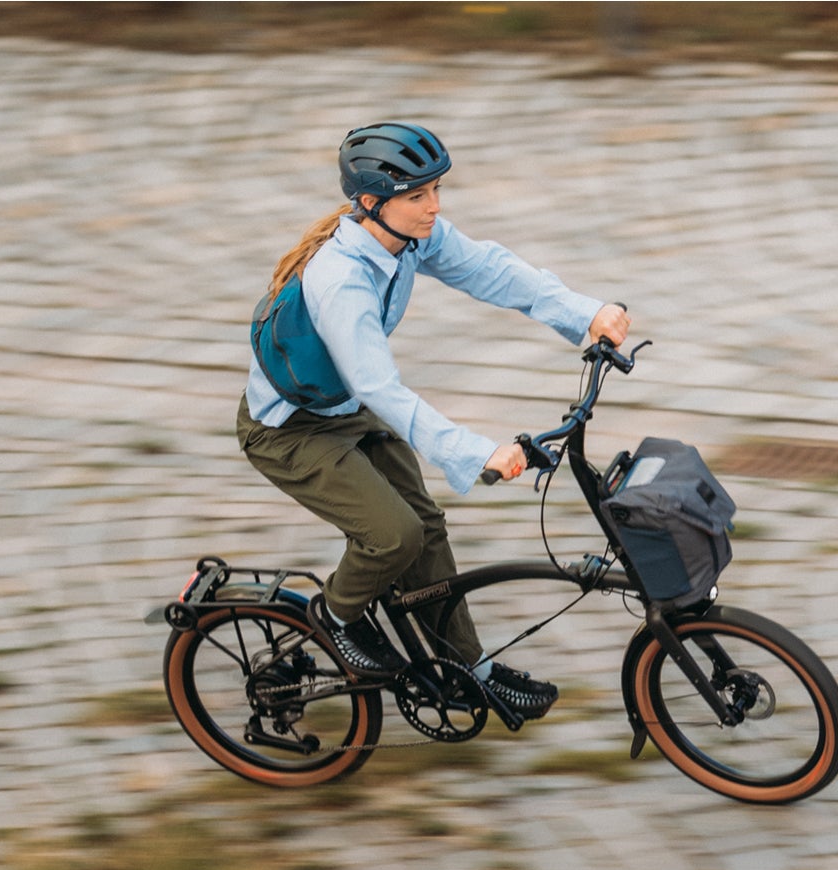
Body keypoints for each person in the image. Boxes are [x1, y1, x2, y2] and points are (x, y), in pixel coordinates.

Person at [236, 122, 631, 720]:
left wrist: (587, 313)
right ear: (372, 202)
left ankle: (467, 673)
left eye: (436, 190)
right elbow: (380, 388)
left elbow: (492, 270)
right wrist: (476, 452)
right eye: (417, 195)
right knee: (394, 535)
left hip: (347, 406)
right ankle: (334, 617)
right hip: (289, 430)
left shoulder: (409, 240)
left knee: (427, 530)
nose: (434, 207)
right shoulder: (340, 278)